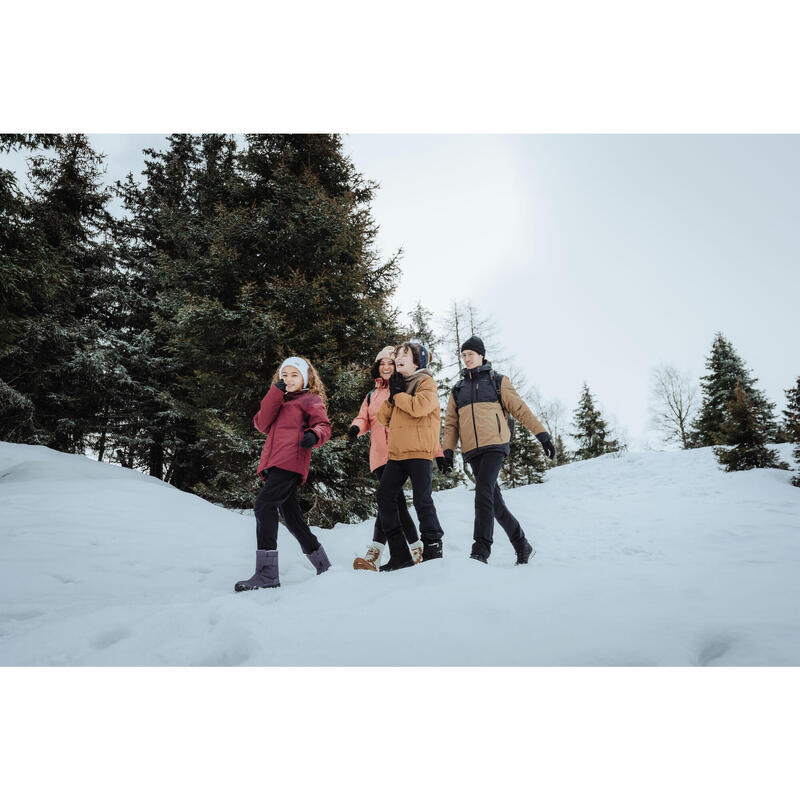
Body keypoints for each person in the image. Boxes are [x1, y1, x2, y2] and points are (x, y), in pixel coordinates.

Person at [442, 336, 555, 565]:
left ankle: (480, 551)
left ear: (481, 355)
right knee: (494, 502)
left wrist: (542, 436)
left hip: (495, 444)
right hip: (473, 450)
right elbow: (451, 424)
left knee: (483, 491)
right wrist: (447, 452)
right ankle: (522, 544)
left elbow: (520, 409)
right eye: (463, 355)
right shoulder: (458, 389)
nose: (467, 359)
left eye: (470, 354)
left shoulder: (497, 381)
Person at [235, 356, 333, 591]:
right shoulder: (279, 400)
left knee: (264, 505)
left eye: (294, 375)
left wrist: (314, 435)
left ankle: (268, 575)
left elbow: (324, 426)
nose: (288, 379)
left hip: (291, 461)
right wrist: (274, 394)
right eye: (284, 375)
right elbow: (261, 423)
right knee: (292, 518)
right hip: (276, 463)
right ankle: (324, 565)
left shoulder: (310, 399)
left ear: (305, 378)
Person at [348, 346, 424, 570]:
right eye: (382, 364)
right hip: (379, 455)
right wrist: (355, 428)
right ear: (377, 367)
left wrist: (435, 451)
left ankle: (377, 552)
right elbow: (364, 417)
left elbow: (417, 418)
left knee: (391, 501)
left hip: (399, 452)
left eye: (390, 363)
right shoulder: (372, 394)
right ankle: (415, 549)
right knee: (393, 503)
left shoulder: (403, 387)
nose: (386, 367)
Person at [375, 341, 447, 571]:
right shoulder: (398, 385)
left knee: (421, 500)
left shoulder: (426, 382)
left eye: (405, 354)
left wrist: (399, 396)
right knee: (385, 496)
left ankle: (433, 546)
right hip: (396, 454)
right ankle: (399, 554)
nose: (398, 357)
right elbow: (382, 418)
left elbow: (419, 407)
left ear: (418, 361)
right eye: (397, 354)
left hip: (418, 451)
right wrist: (393, 395)